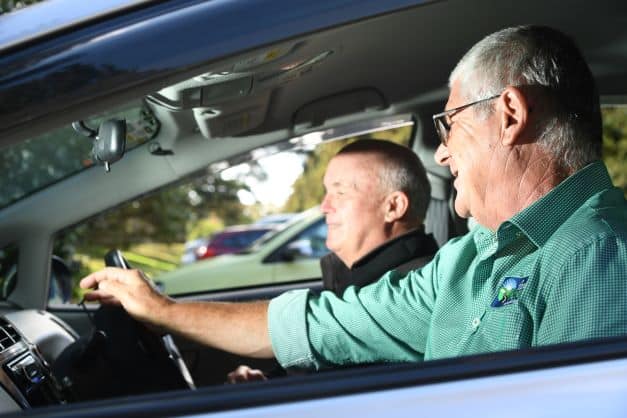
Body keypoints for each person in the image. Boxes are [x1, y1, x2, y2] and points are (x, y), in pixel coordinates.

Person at [81, 25, 627, 371]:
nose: (441, 154)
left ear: (509, 115)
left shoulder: (597, 254)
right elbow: (325, 324)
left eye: (449, 124)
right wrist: (164, 310)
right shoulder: (472, 257)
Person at [227, 139, 439, 382]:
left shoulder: (411, 295)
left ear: (393, 206)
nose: (324, 206)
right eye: (327, 192)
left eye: (340, 193)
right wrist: (269, 383)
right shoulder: (358, 278)